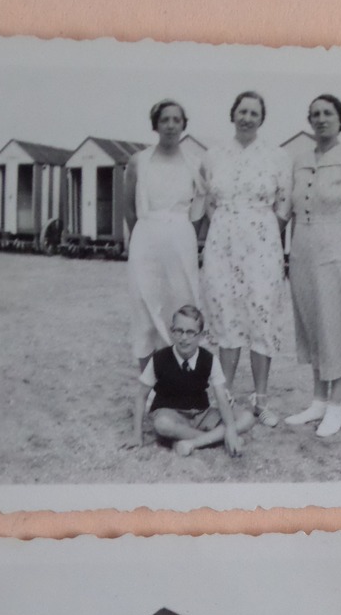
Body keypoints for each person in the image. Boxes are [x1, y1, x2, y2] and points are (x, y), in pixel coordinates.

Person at [200, 90, 292, 427]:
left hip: (262, 244)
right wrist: (225, 227)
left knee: (260, 314)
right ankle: (223, 400)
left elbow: (285, 203)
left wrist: (265, 231)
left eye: (254, 113)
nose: (247, 118)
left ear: (261, 119)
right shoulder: (213, 155)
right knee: (226, 315)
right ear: (232, 114)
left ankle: (260, 400)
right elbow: (208, 200)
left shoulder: (277, 156)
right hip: (222, 243)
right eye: (242, 111)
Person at [285, 94, 341, 438]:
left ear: (340, 119)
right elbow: (292, 212)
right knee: (312, 324)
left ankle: (336, 406)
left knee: (335, 324)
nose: (321, 119)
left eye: (328, 113)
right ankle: (318, 401)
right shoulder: (300, 160)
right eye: (315, 114)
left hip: (335, 248)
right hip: (303, 251)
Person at [123, 100, 205, 369]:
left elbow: (199, 209)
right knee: (144, 309)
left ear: (183, 125)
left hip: (181, 240)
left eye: (176, 120)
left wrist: (183, 236)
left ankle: (181, 381)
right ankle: (149, 383)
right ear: (155, 125)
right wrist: (145, 235)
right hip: (146, 239)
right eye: (164, 120)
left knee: (182, 307)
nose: (170, 125)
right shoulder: (139, 161)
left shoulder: (195, 163)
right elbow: (128, 209)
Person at [126, 305, 254, 456]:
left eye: (190, 332)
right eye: (178, 331)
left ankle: (193, 442)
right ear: (172, 332)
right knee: (162, 424)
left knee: (247, 417)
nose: (184, 338)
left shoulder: (209, 359)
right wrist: (137, 435)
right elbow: (141, 396)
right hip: (171, 413)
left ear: (201, 335)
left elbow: (221, 397)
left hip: (200, 413)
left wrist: (231, 431)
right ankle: (216, 439)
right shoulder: (160, 359)